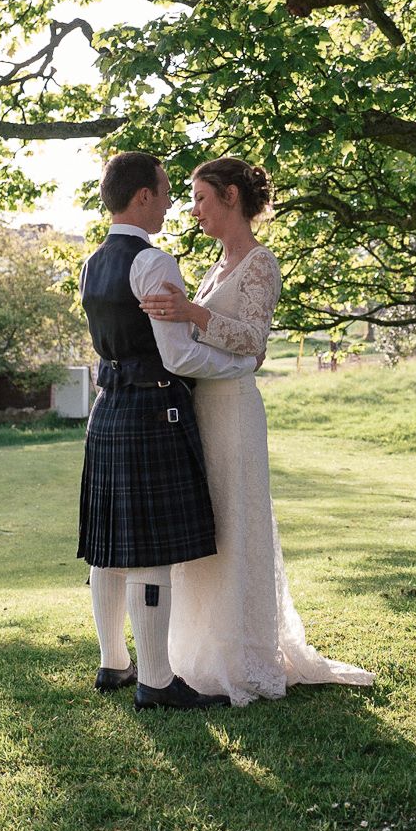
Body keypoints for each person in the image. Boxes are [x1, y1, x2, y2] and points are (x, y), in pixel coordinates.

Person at [138, 156, 375, 705]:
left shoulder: (260, 264)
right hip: (202, 411)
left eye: (200, 198)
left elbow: (252, 342)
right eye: (191, 198)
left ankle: (243, 658)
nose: (192, 210)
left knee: (238, 528)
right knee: (207, 533)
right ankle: (196, 657)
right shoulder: (214, 267)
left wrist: (191, 314)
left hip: (236, 414)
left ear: (230, 198)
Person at [77, 151, 259, 711]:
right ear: (143, 198)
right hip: (153, 409)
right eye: (165, 191)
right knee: (151, 547)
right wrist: (239, 367)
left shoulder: (92, 262)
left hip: (106, 407)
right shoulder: (153, 263)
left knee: (108, 546)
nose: (173, 202)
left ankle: (114, 664)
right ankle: (156, 680)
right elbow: (178, 357)